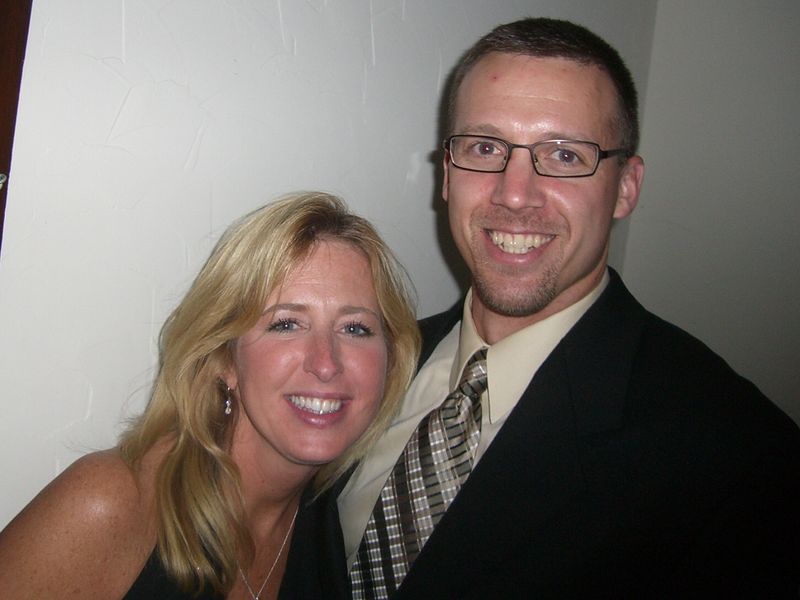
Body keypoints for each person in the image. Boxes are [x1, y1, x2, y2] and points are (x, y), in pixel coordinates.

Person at [339, 17, 800, 598]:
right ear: (448, 175)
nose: (514, 194)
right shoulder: (367, 363)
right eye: (485, 147)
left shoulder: (739, 459)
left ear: (626, 187)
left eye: (563, 155)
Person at [0, 191, 420, 599]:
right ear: (224, 358)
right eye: (286, 324)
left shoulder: (335, 517)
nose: (326, 363)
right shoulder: (110, 504)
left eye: (355, 328)